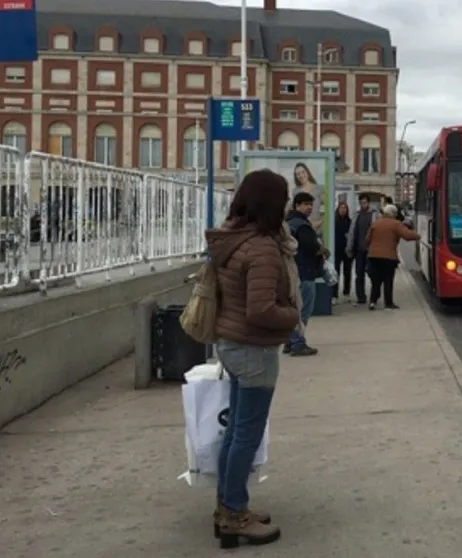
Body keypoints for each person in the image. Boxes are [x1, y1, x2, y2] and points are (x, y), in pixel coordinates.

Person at [205, 169, 299, 548]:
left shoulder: (234, 238)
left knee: (236, 432)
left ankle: (228, 506)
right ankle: (234, 515)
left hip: (232, 344)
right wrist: (293, 316)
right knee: (246, 433)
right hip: (253, 348)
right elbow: (261, 310)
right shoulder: (261, 247)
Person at [285, 191, 325, 357]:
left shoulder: (290, 222)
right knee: (304, 309)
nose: (309, 208)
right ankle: (297, 342)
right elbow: (311, 246)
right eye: (306, 204)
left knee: (295, 308)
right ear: (297, 206)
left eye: (311, 204)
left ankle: (290, 341)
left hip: (295, 271)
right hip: (304, 271)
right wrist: (322, 250)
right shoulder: (301, 225)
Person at [365, 204, 420, 310]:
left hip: (373, 256)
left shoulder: (376, 223)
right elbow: (407, 235)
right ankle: (388, 303)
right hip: (388, 257)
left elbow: (367, 238)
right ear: (394, 214)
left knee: (376, 281)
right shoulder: (395, 224)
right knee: (388, 280)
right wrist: (419, 235)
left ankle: (372, 302)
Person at [345, 193, 380, 305]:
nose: (362, 205)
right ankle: (361, 296)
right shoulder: (357, 215)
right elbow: (351, 232)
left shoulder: (374, 215)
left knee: (372, 273)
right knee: (359, 274)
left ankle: (374, 297)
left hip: (371, 250)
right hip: (359, 250)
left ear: (368, 203)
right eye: (361, 203)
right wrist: (349, 247)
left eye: (364, 203)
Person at [332, 202, 353, 304]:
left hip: (347, 250)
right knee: (336, 273)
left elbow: (353, 235)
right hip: (336, 250)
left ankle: (346, 293)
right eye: (341, 208)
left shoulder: (350, 222)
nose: (343, 210)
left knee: (347, 272)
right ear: (338, 209)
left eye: (345, 208)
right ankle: (334, 295)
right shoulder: (334, 221)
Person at [292, 162, 322, 230]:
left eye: (303, 172)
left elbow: (328, 209)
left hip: (318, 229)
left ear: (307, 172)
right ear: (296, 176)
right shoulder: (295, 191)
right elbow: (295, 210)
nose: (301, 175)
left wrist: (320, 222)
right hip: (302, 228)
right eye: (298, 174)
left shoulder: (319, 189)